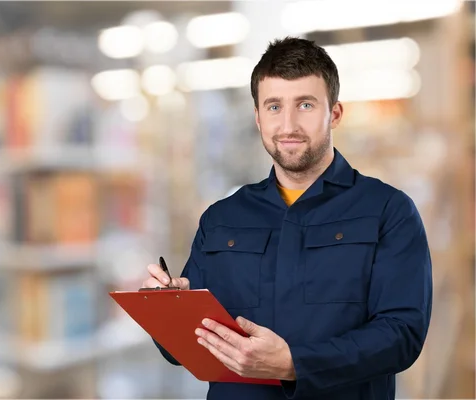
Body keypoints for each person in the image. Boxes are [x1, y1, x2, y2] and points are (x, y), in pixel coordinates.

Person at [142, 37, 432, 400]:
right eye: (274, 106)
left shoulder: (387, 211)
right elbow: (182, 352)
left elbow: (401, 335)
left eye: (306, 105)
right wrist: (171, 310)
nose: (288, 124)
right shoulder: (221, 219)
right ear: (258, 117)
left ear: (335, 114)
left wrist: (294, 363)